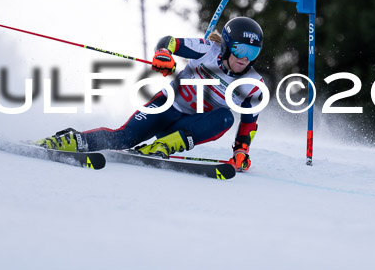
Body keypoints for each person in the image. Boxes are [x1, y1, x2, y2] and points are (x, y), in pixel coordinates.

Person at [34, 16, 265, 171]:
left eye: (253, 52)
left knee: (225, 117)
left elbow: (248, 124)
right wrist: (164, 54)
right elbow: (170, 42)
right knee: (123, 137)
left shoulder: (253, 84)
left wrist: (241, 151)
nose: (245, 58)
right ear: (225, 45)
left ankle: (162, 146)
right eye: (240, 49)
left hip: (187, 128)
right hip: (166, 107)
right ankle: (70, 141)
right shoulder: (207, 49)